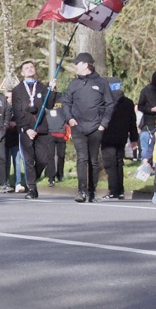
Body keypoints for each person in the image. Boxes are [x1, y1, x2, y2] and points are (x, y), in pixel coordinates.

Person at [64, 53, 114, 203]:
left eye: (77, 64)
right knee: (81, 158)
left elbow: (109, 104)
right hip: (78, 126)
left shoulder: (102, 83)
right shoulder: (74, 84)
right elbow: (66, 103)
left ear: (86, 65)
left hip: (95, 127)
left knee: (93, 160)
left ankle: (92, 191)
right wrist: (70, 119)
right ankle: (82, 191)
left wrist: (103, 124)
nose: (75, 67)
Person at [10, 61, 57, 200]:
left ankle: (33, 178)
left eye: (32, 67)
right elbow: (17, 112)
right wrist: (26, 128)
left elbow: (49, 105)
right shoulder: (17, 90)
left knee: (43, 159)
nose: (30, 69)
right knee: (29, 160)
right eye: (26, 68)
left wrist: (52, 90)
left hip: (42, 128)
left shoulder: (41, 87)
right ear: (22, 73)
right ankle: (32, 188)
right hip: (27, 129)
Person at [100, 78, 139, 200]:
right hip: (122, 136)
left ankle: (113, 190)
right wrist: (134, 139)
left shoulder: (104, 102)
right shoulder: (128, 102)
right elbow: (132, 122)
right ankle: (120, 190)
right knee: (118, 163)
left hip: (107, 136)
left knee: (110, 164)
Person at [45, 93, 68, 186]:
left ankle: (60, 175)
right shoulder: (45, 99)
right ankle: (51, 178)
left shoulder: (62, 99)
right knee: (50, 156)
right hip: (49, 132)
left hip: (61, 132)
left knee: (61, 155)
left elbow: (67, 113)